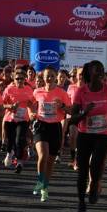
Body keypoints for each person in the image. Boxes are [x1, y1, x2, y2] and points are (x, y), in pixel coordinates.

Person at [71, 60, 107, 212]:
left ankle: (95, 184)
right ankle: (81, 203)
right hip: (85, 134)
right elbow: (73, 118)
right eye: (96, 70)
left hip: (103, 135)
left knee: (96, 167)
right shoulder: (81, 92)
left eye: (102, 69)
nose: (100, 72)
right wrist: (85, 112)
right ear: (89, 72)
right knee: (82, 170)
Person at [31, 67, 71, 202]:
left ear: (56, 77)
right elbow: (30, 105)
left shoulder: (62, 93)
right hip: (41, 125)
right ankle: (40, 180)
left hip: (55, 127)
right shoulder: (37, 91)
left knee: (51, 161)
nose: (49, 79)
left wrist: (62, 107)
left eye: (52, 76)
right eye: (47, 76)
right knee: (43, 154)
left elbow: (70, 109)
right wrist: (31, 113)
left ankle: (45, 188)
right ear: (43, 77)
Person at [3, 66, 35, 174]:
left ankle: (20, 162)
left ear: (25, 79)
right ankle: (9, 153)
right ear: (14, 79)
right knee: (11, 140)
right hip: (10, 118)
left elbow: (32, 104)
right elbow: (2, 104)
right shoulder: (9, 89)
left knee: (19, 139)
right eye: (17, 79)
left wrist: (32, 111)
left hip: (23, 119)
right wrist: (10, 106)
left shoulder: (29, 90)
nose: (19, 81)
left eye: (22, 78)